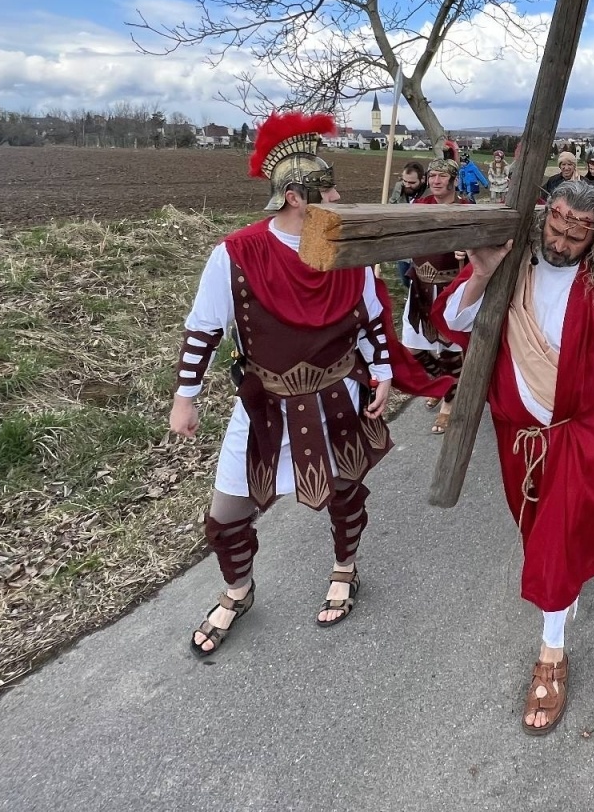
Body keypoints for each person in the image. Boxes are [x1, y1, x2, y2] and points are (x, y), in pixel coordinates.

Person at [172, 112, 451, 655]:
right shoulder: (237, 253)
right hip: (263, 404)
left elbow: (371, 319)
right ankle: (238, 590)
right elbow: (204, 327)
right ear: (297, 196)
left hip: (337, 395)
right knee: (226, 512)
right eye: (329, 187)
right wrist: (186, 397)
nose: (339, 194)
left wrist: (384, 374)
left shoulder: (346, 249)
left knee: (346, 493)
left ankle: (345, 569)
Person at [437, 182, 594, 736]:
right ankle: (560, 602)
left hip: (578, 435)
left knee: (555, 544)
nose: (560, 242)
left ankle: (552, 656)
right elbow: (454, 322)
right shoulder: (513, 270)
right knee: (537, 534)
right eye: (555, 228)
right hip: (517, 439)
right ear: (544, 219)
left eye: (574, 234)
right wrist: (486, 271)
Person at [405, 158, 473, 434]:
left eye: (441, 176)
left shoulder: (466, 208)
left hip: (450, 288)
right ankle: (444, 383)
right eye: (432, 175)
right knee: (413, 347)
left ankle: (449, 403)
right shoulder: (419, 207)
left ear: (453, 179)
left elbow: (482, 244)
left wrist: (468, 251)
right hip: (420, 285)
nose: (435, 180)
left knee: (449, 350)